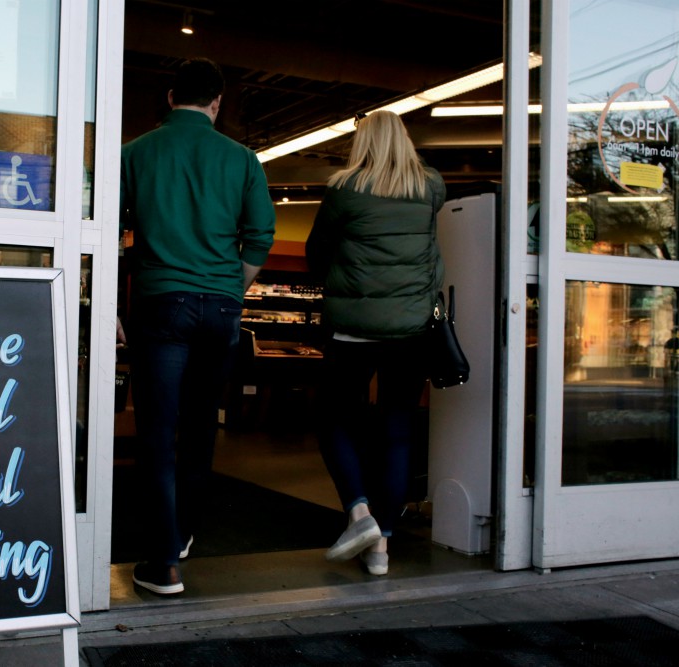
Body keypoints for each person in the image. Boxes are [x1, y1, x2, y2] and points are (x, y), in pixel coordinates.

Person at [119, 57, 275, 595]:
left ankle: (163, 562)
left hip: (161, 304)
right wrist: (233, 285)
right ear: (217, 103)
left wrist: (118, 306)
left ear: (169, 98)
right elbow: (259, 237)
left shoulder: (135, 154)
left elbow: (106, 230)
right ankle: (184, 531)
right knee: (202, 427)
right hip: (221, 310)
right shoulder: (243, 159)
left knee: (158, 433)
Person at [305, 110, 445, 577]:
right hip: (410, 330)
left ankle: (359, 514)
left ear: (362, 143)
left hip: (353, 330)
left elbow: (316, 255)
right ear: (404, 141)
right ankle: (381, 547)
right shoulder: (429, 188)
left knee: (333, 418)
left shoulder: (345, 189)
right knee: (397, 432)